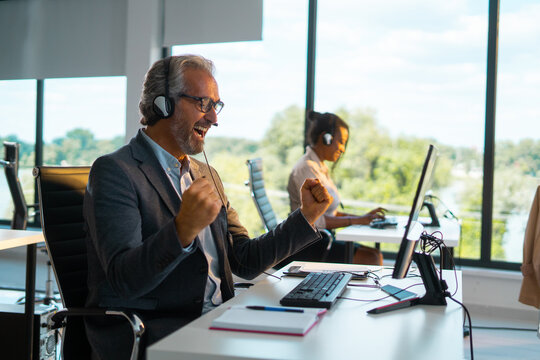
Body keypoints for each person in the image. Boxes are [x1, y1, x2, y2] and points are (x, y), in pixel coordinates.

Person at [83, 55, 332, 360]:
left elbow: (245, 259)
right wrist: (181, 230)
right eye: (203, 103)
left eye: (217, 105)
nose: (214, 118)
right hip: (156, 333)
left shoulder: (205, 174)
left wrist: (305, 217)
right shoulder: (116, 171)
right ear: (164, 104)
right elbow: (125, 281)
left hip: (218, 320)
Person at [287, 110, 385, 266]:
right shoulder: (307, 168)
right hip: (307, 244)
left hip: (321, 238)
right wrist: (358, 220)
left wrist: (364, 218)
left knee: (375, 254)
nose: (343, 149)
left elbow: (329, 212)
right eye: (341, 141)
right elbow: (317, 221)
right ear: (326, 138)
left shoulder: (319, 167)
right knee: (372, 258)